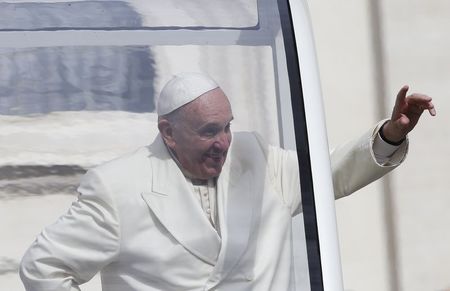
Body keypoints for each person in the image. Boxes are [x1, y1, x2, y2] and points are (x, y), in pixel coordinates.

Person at [20, 72, 435, 291]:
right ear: (168, 132)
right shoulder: (118, 187)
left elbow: (332, 174)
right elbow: (44, 267)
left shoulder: (256, 159)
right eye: (208, 131)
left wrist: (391, 134)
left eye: (227, 127)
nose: (223, 143)